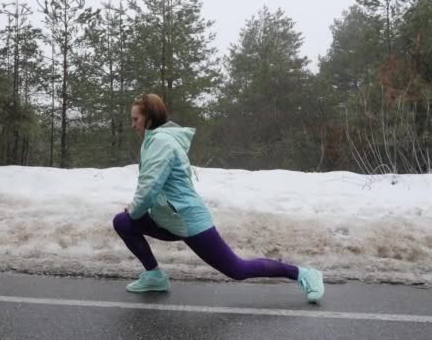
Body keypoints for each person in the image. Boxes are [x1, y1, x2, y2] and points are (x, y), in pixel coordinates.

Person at [112, 93, 325, 303]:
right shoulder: (154, 140)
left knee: (237, 269)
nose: (132, 124)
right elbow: (154, 188)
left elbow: (149, 186)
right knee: (124, 222)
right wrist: (134, 211)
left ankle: (304, 273)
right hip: (169, 217)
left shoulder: (160, 142)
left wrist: (135, 210)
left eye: (135, 119)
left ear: (149, 118)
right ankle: (154, 277)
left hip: (187, 220)